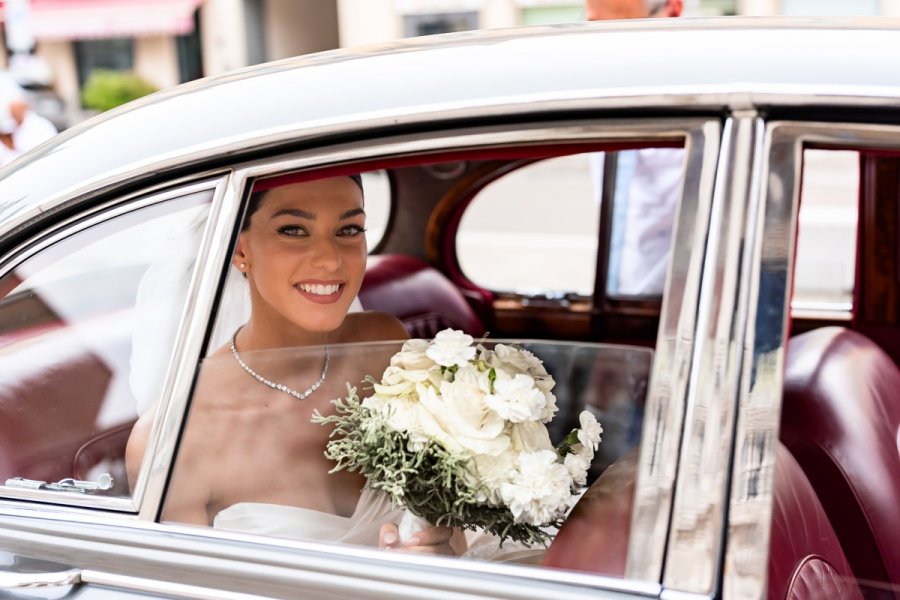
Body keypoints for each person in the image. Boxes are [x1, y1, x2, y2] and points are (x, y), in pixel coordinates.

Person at [125, 173, 458, 555]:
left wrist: (440, 555)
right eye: (294, 230)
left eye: (349, 229)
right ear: (240, 250)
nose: (331, 260)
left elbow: (448, 526)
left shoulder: (384, 349)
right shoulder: (174, 439)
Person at [585, 0, 685, 296]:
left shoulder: (706, 90)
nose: (609, 44)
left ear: (673, 10)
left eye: (626, 27)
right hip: (621, 290)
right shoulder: (598, 84)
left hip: (686, 297)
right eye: (595, 26)